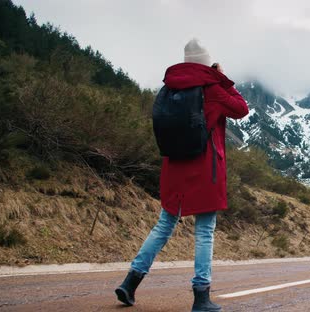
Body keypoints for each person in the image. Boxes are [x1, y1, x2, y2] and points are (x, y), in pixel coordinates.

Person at [115, 38, 249, 312]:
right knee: (204, 231)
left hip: (174, 167)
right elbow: (241, 108)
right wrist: (222, 77)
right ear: (207, 62)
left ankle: (130, 283)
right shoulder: (212, 88)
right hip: (204, 171)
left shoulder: (168, 88)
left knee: (164, 225)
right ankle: (201, 298)